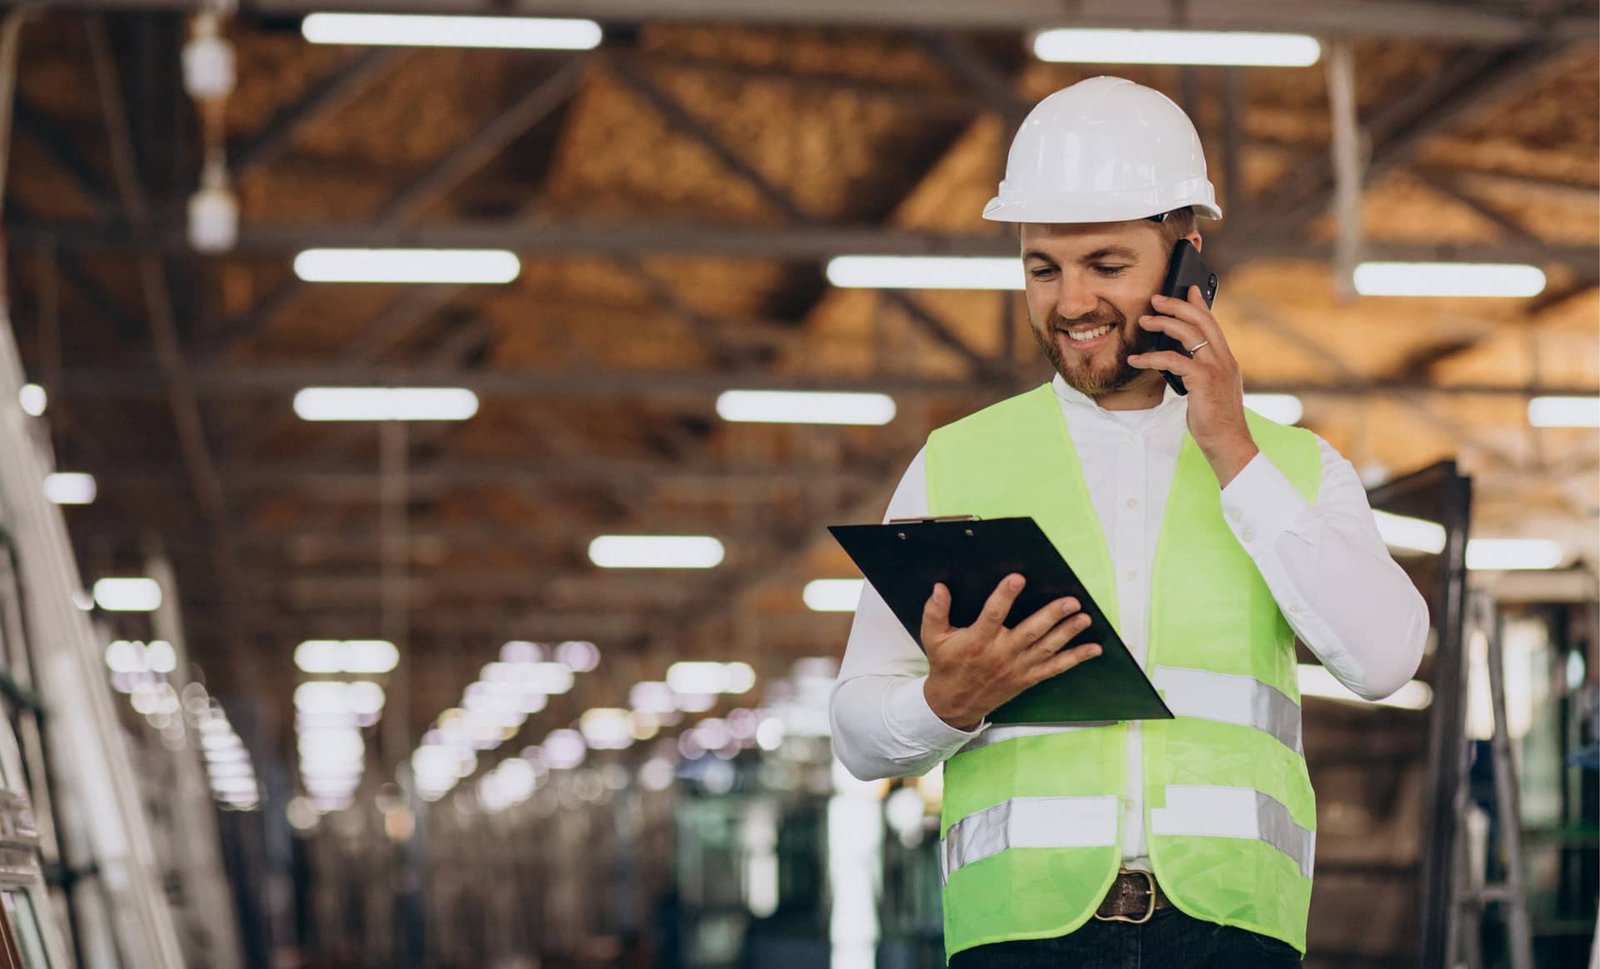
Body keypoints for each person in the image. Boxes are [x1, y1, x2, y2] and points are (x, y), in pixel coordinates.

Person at [829, 76, 1430, 968]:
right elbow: (854, 729)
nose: (1071, 301)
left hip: (1231, 933)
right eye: (1043, 269)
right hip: (1021, 938)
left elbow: (1385, 659)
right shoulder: (954, 465)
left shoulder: (1293, 468)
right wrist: (942, 704)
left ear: (1187, 257)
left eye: (1107, 266)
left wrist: (1233, 451)